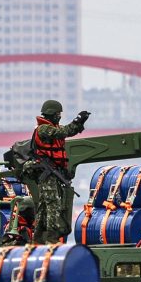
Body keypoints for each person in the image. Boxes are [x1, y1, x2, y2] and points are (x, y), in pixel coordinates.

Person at [26, 99, 90, 244]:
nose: (59, 116)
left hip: (52, 172)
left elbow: (68, 131)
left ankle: (38, 238)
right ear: (52, 114)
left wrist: (80, 123)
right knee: (52, 205)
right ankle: (51, 238)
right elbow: (62, 132)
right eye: (58, 114)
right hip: (46, 173)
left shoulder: (51, 127)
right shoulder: (43, 129)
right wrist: (76, 120)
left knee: (43, 207)